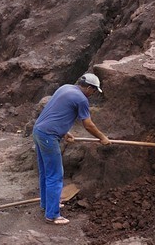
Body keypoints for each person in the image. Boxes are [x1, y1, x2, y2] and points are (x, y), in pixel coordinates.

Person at [31, 72, 111, 224]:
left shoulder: (65, 88)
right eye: (93, 91)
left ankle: (47, 204)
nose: (93, 94)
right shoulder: (81, 99)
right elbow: (88, 124)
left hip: (39, 131)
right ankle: (53, 215)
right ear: (88, 87)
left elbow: (55, 113)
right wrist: (102, 138)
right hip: (48, 137)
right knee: (55, 174)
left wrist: (65, 132)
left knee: (45, 172)